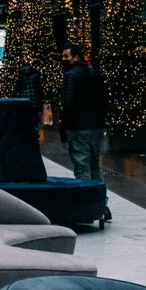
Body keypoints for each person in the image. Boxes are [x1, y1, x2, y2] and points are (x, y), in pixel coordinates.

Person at [61, 44, 111, 222]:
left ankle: (89, 208)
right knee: (94, 165)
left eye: (66, 56)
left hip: (79, 127)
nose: (64, 60)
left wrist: (64, 126)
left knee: (82, 167)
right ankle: (102, 204)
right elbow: (105, 98)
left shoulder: (70, 76)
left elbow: (68, 103)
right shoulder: (95, 73)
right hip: (96, 126)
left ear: (75, 57)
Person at [15, 60, 43, 124]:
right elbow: (39, 88)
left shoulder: (20, 75)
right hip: (34, 100)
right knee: (35, 119)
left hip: (24, 100)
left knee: (25, 119)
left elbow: (17, 88)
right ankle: (35, 131)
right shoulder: (35, 74)